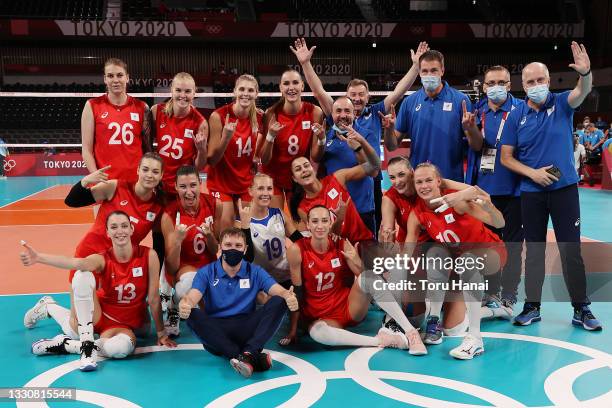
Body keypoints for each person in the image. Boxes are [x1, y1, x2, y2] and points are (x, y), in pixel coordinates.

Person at [500, 42, 602, 331]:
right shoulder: (515, 116)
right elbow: (506, 157)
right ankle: (532, 306)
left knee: (571, 250)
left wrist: (586, 73)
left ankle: (581, 307)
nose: (536, 85)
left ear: (548, 80)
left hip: (565, 191)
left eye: (541, 80)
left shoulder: (560, 103)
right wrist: (532, 173)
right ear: (523, 85)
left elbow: (581, 91)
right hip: (531, 193)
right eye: (530, 81)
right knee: (534, 252)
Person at [291, 38, 429, 235]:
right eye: (352, 95)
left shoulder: (374, 114)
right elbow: (318, 90)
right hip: (334, 198)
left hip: (366, 190)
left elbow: (398, 92)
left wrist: (416, 67)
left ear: (368, 97)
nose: (356, 99)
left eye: (360, 95)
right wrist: (305, 63)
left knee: (370, 243)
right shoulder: (334, 118)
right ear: (345, 97)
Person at [22, 211, 176, 371]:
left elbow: (154, 298)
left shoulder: (148, 256)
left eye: (124, 226)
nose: (120, 231)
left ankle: (67, 344)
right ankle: (56, 314)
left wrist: (161, 333)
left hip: (125, 324)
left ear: (131, 229)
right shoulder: (102, 259)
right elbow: (74, 262)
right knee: (81, 275)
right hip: (97, 315)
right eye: (114, 227)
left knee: (121, 349)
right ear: (108, 233)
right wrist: (39, 257)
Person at [285, 205, 427, 355]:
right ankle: (380, 341)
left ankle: (411, 333)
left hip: (348, 307)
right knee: (318, 333)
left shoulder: (342, 244)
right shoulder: (297, 250)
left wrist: (356, 260)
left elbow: (365, 279)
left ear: (330, 223)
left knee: (369, 276)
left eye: (324, 220)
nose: (319, 226)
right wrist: (293, 329)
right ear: (308, 225)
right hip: (319, 315)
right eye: (314, 221)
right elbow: (297, 292)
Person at [406, 163, 506, 359]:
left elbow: (499, 222)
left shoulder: (457, 201)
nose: (424, 185)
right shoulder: (417, 213)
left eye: (428, 180)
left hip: (490, 252)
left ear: (438, 181)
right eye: (419, 182)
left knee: (466, 260)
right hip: (459, 263)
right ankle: (436, 321)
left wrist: (489, 206)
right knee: (452, 328)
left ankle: (475, 339)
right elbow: (407, 254)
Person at [178, 228, 298, 378]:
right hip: (217, 331)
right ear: (220, 247)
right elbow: (192, 296)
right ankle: (249, 356)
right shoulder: (206, 272)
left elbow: (277, 290)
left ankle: (247, 353)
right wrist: (186, 304)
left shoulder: (255, 271)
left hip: (247, 327)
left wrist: (288, 295)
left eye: (238, 245)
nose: (233, 249)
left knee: (280, 301)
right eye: (228, 245)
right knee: (192, 314)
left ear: (245, 249)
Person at [462, 65, 524, 318]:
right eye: (491, 83)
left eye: (502, 82)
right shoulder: (478, 112)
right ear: (484, 86)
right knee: (486, 246)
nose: (496, 86)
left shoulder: (521, 109)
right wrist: (469, 128)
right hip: (484, 190)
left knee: (512, 246)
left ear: (509, 85)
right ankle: (490, 292)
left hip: (515, 190)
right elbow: (477, 146)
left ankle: (509, 293)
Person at [63, 152, 164, 283]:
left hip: (119, 266)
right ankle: (48, 304)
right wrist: (86, 181)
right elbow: (72, 201)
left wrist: (154, 279)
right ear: (138, 170)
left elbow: (159, 246)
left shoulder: (157, 207)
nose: (149, 175)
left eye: (155, 172)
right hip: (90, 254)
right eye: (145, 169)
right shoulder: (115, 187)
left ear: (161, 175)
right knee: (81, 301)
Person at [151, 72, 209, 278]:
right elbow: (147, 146)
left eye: (187, 91)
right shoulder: (156, 111)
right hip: (159, 188)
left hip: (182, 191)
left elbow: (199, 166)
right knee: (158, 237)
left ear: (194, 94)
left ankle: (180, 278)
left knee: (181, 236)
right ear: (171, 91)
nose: (182, 95)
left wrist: (202, 150)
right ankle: (159, 283)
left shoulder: (200, 122)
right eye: (178, 90)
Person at [388, 50, 472, 182]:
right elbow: (392, 146)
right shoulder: (409, 102)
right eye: (425, 71)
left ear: (442, 71)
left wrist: (471, 129)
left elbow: (475, 144)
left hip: (451, 179)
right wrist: (388, 130)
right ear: (419, 72)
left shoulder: (461, 100)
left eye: (434, 71)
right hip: (419, 180)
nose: (429, 75)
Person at [289, 125, 380, 244]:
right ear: (295, 179)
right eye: (298, 169)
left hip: (364, 242)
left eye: (306, 165)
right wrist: (339, 219)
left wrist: (359, 146)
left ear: (313, 169)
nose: (304, 170)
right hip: (338, 252)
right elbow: (324, 239)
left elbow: (374, 166)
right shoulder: (303, 208)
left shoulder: (337, 178)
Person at [160, 165, 222, 336]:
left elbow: (215, 249)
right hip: (183, 269)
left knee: (217, 312)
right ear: (175, 187)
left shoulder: (215, 204)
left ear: (200, 183)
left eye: (193, 185)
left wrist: (210, 236)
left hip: (209, 266)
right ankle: (174, 303)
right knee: (189, 283)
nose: (189, 192)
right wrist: (178, 241)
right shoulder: (169, 215)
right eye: (183, 186)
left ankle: (190, 303)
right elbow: (171, 267)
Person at [257, 69, 325, 209]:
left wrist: (322, 140)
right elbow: (264, 159)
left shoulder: (314, 112)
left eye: (295, 82)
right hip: (273, 178)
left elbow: (315, 157)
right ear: (281, 88)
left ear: (302, 86)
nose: (291, 87)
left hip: (298, 178)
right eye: (286, 83)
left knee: (299, 225)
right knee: (276, 224)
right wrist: (270, 137)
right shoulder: (271, 113)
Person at [207, 74, 263, 234]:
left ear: (256, 94)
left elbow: (264, 136)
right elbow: (211, 160)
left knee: (252, 228)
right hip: (220, 183)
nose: (246, 93)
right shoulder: (218, 116)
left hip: (244, 183)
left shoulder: (260, 117)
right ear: (234, 91)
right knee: (225, 229)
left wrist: (256, 157)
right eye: (242, 89)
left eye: (250, 90)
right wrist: (226, 138)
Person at [81, 58, 151, 183]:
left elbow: (148, 149)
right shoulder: (92, 105)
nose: (115, 80)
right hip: (105, 181)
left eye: (119, 75)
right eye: (110, 76)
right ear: (105, 79)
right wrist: (96, 177)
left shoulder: (142, 107)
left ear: (127, 77)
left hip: (136, 181)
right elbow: (86, 149)